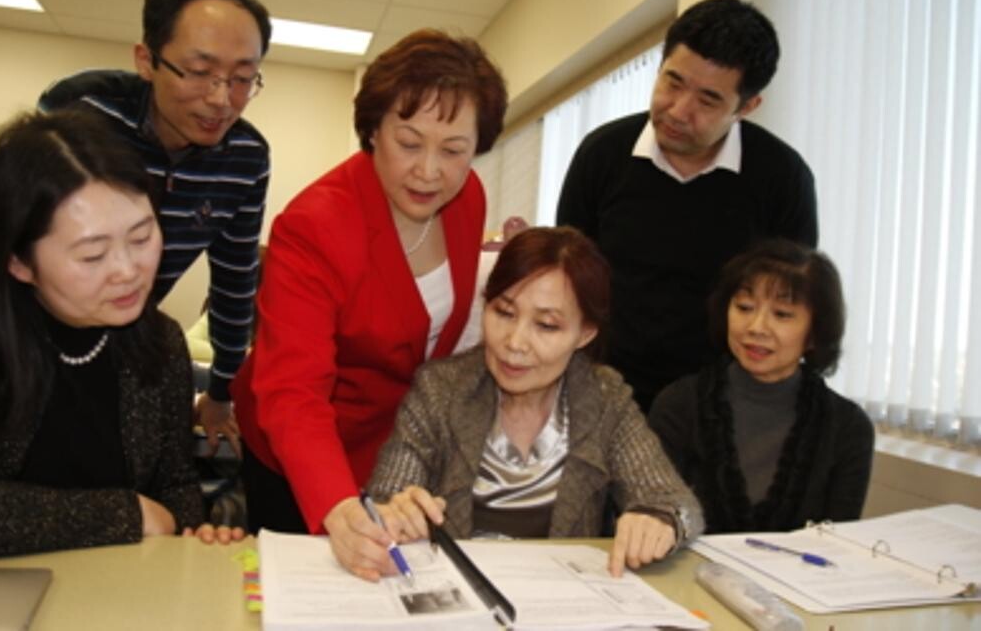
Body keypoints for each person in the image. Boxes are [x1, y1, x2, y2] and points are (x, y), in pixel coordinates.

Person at [230, 29, 508, 546]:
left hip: (395, 446)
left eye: (454, 150)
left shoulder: (467, 197)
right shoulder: (315, 225)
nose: (429, 171)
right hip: (302, 453)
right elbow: (292, 390)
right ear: (374, 130)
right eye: (409, 143)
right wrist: (337, 505)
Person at [0, 109, 241, 559]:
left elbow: (174, 485)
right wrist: (128, 513)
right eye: (93, 255)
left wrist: (195, 538)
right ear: (18, 261)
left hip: (118, 584)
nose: (128, 271)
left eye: (141, 238)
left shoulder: (160, 340)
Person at [360, 227, 703, 581]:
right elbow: (386, 495)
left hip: (560, 598)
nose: (515, 342)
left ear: (585, 333)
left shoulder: (604, 398)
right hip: (455, 593)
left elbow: (675, 501)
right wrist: (396, 510)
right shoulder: (441, 389)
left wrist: (660, 520)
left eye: (546, 325)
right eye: (504, 312)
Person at [38, 0, 272, 456]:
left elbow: (235, 281)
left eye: (242, 79)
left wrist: (222, 390)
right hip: (31, 334)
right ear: (146, 60)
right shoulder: (82, 117)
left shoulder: (246, 157)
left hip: (129, 340)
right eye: (200, 71)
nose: (220, 99)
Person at [556, 0, 818, 414]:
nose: (678, 111)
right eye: (672, 82)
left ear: (747, 107)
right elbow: (567, 280)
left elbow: (790, 301)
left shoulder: (782, 178)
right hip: (603, 394)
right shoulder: (602, 154)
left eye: (708, 100)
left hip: (719, 407)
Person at [648, 238, 874, 533]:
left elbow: (837, 542)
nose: (756, 327)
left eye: (782, 314)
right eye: (744, 307)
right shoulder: (678, 405)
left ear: (815, 333)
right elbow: (651, 513)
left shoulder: (848, 428)